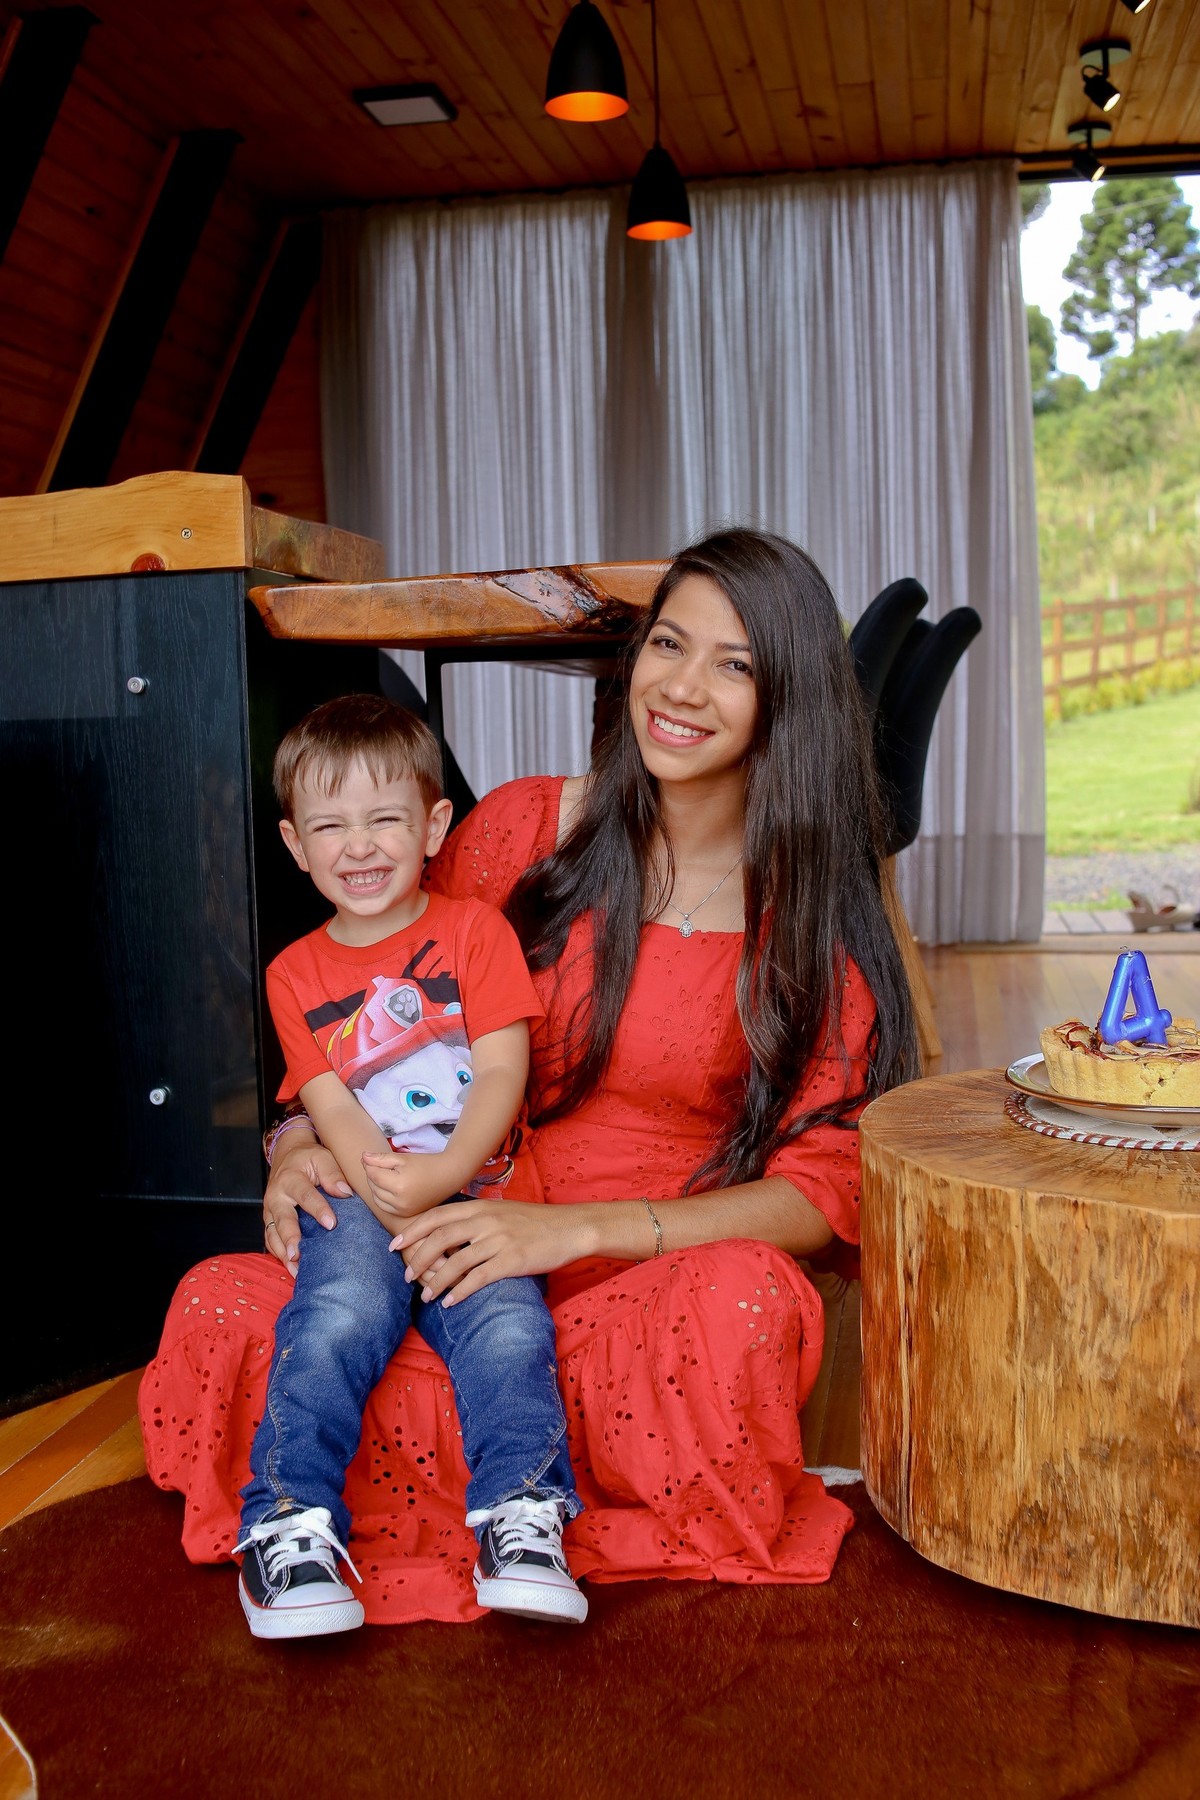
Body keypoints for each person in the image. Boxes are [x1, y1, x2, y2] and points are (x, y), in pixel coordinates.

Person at [139, 527, 917, 1625]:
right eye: (668, 644)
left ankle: (503, 1500)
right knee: (219, 1302)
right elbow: (366, 996)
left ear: (789, 698)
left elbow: (823, 1188)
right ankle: (397, 1512)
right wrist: (302, 1142)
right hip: (438, 1245)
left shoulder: (809, 919)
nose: (681, 688)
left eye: (734, 664)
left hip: (640, 1282)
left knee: (743, 1307)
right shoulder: (521, 830)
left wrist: (571, 1232)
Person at [227, 694, 586, 1639]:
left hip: (481, 1190)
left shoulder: (474, 933)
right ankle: (286, 1522)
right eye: (329, 826)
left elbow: (502, 1070)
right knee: (337, 1315)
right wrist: (395, 1199)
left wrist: (447, 1173)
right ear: (295, 845)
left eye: (384, 819)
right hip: (365, 1195)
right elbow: (332, 1105)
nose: (359, 846)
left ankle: (523, 1517)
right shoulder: (293, 973)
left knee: (509, 1328)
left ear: (433, 826)